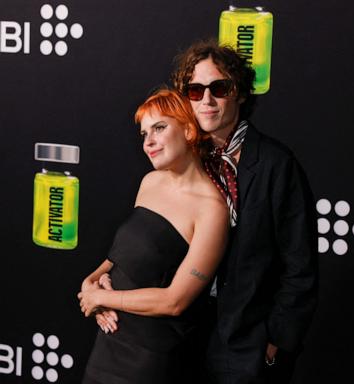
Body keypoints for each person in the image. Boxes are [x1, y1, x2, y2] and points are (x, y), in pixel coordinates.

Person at [172, 39, 318, 384]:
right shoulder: (183, 163)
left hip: (249, 346)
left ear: (238, 93)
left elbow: (300, 265)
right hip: (184, 338)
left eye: (218, 88)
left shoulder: (275, 164)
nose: (206, 100)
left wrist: (277, 340)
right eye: (195, 91)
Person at [78, 88, 229, 384]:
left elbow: (175, 301)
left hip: (150, 358)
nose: (149, 142)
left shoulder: (212, 210)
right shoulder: (150, 182)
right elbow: (120, 257)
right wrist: (91, 284)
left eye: (159, 128)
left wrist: (103, 297)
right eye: (144, 133)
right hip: (109, 341)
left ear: (187, 130)